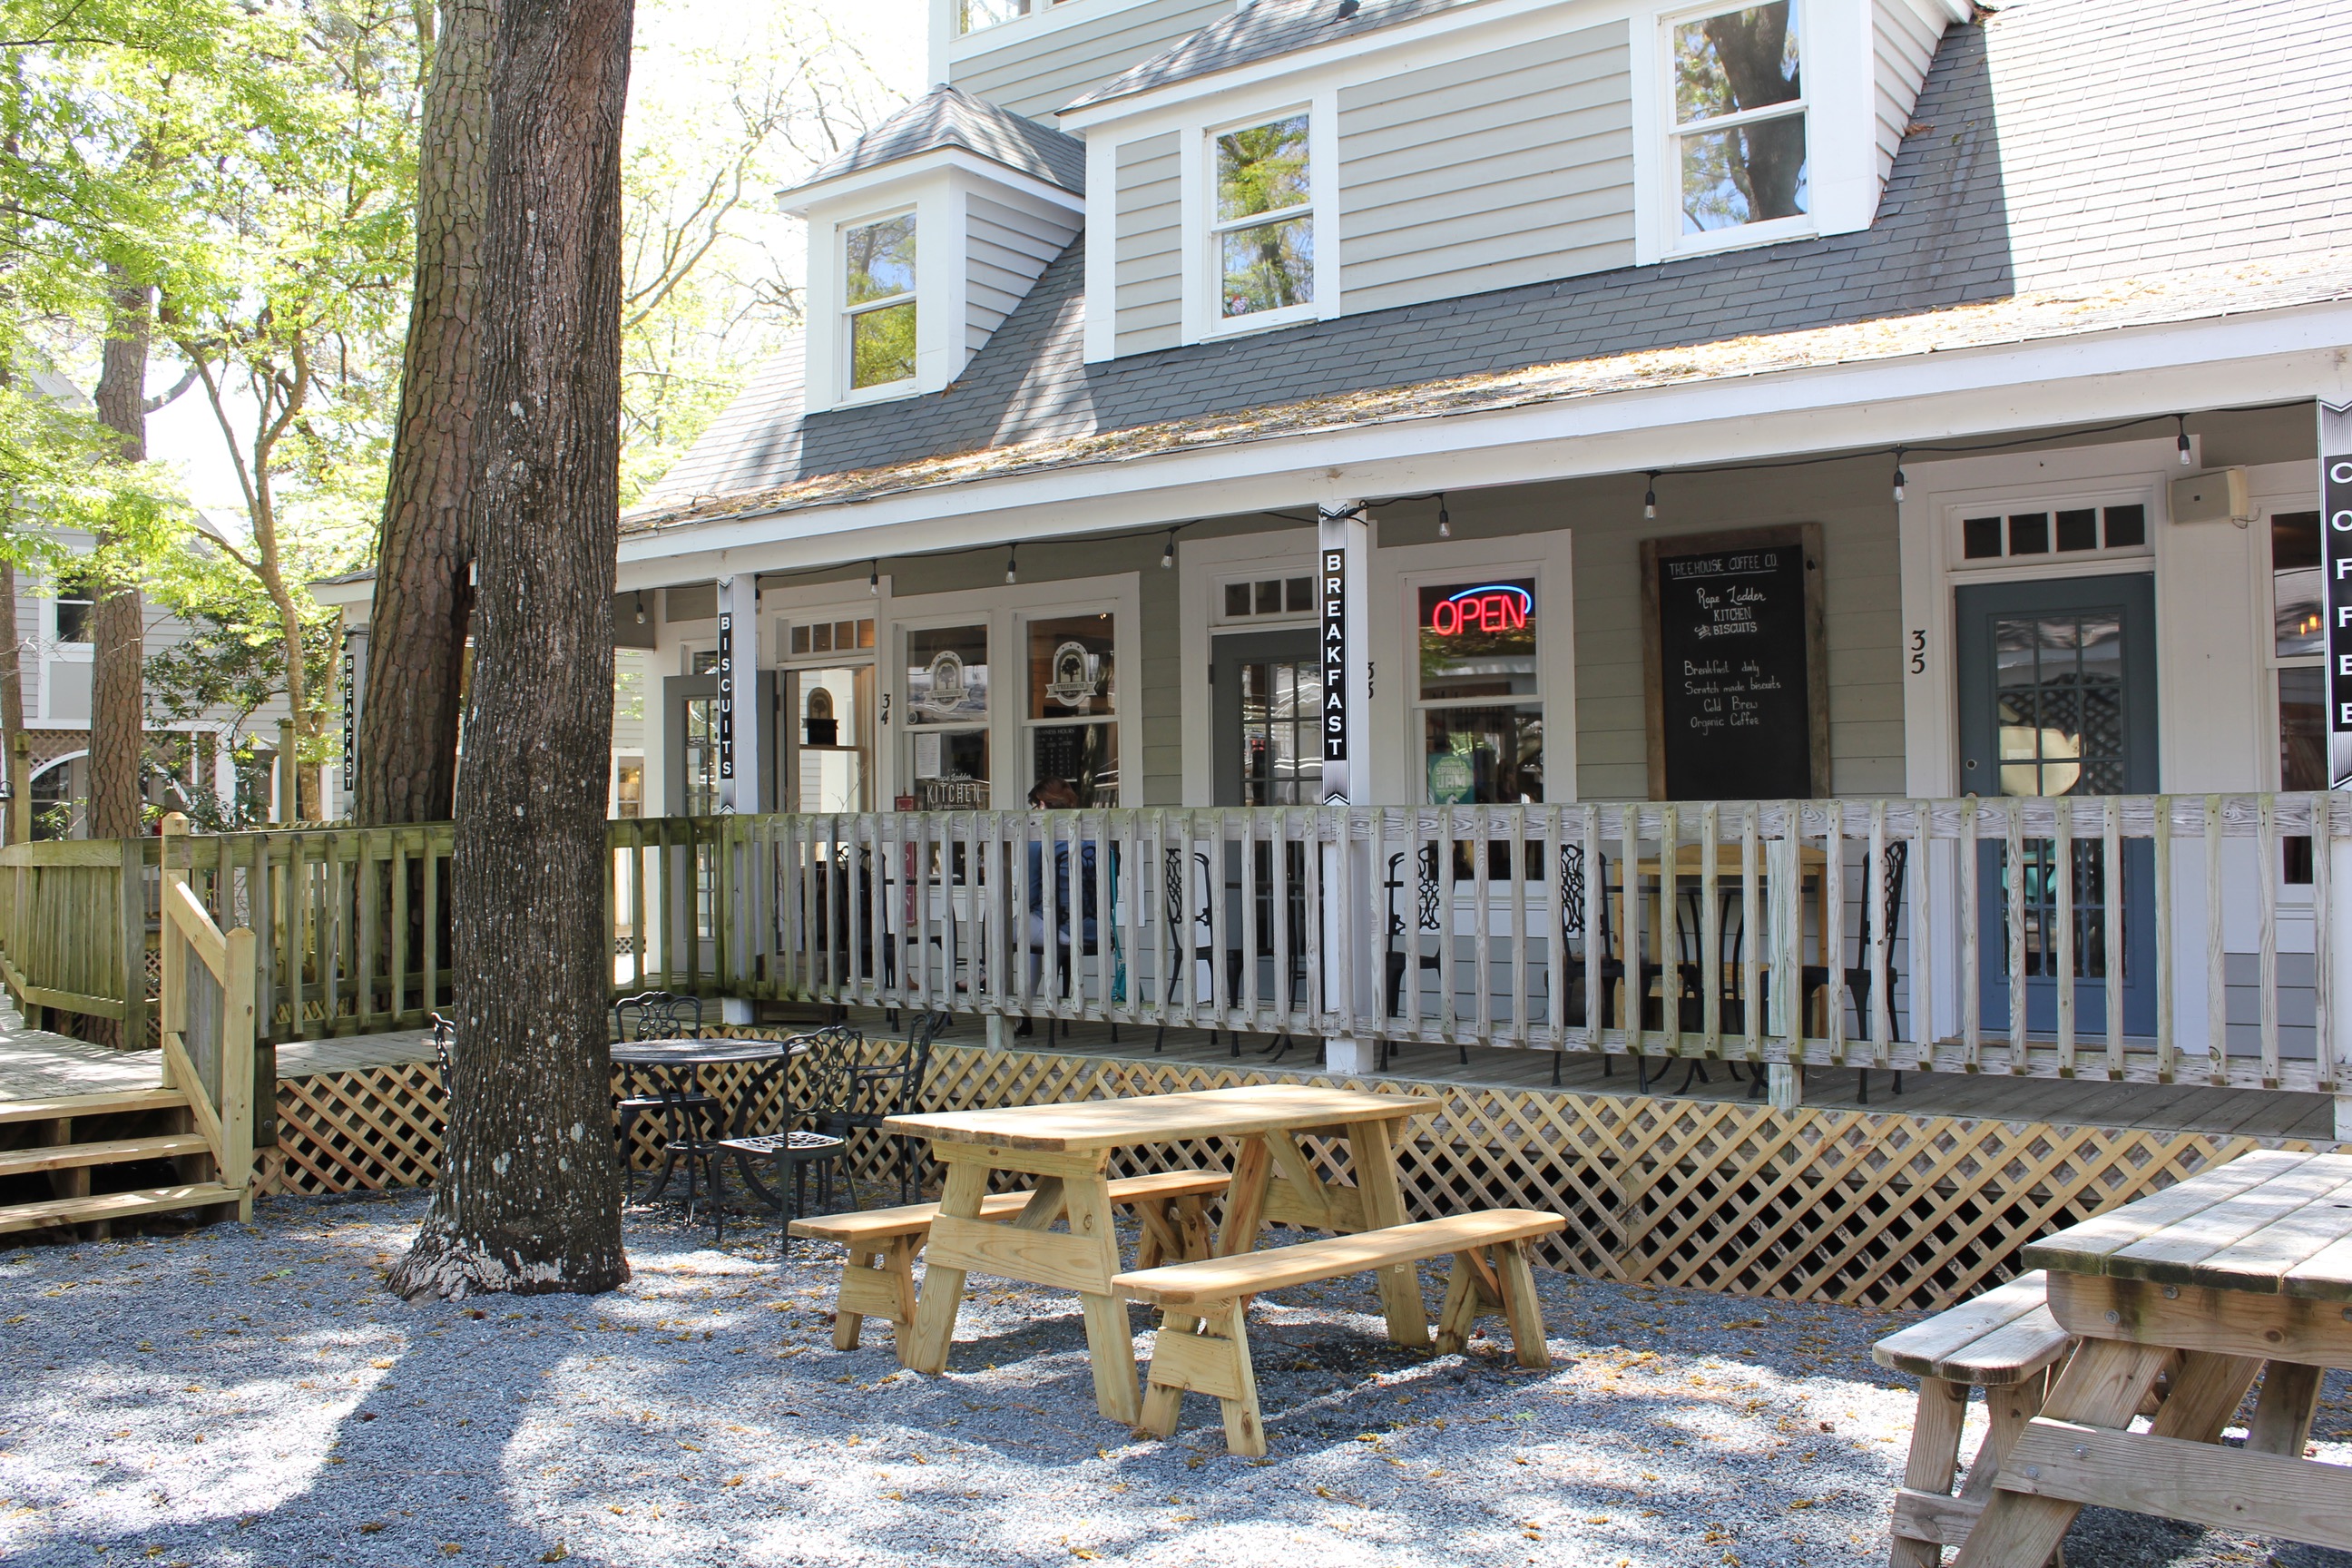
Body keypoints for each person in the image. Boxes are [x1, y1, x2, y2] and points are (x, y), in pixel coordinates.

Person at [1015, 778, 1098, 1036]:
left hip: (1060, 928)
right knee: (1029, 928)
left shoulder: (1038, 839)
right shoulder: (1094, 836)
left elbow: (1029, 892)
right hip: (1094, 928)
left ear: (1041, 805)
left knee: (1008, 925)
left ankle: (1020, 1009)